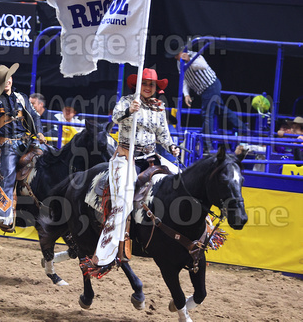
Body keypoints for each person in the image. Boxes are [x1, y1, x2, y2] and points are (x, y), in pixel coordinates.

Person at [86, 68, 180, 276]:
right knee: (124, 201)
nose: (148, 87)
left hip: (150, 157)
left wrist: (172, 146)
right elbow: (116, 117)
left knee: (180, 180)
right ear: (137, 86)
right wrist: (130, 110)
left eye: (151, 84)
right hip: (126, 158)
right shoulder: (127, 101)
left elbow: (162, 133)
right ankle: (104, 255)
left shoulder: (158, 108)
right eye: (144, 84)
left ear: (156, 88)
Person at [0, 63, 46, 231]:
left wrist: (40, 133)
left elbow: (35, 117)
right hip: (6, 145)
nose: (7, 82)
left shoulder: (21, 97)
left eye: (8, 78)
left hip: (26, 141)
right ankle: (3, 216)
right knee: (7, 175)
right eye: (4, 80)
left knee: (49, 157)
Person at [168, 40, 247, 153]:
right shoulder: (179, 63)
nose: (175, 57)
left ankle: (207, 145)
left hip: (211, 86)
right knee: (221, 110)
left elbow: (203, 65)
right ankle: (243, 128)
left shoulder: (194, 55)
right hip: (204, 90)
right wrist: (186, 94)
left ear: (181, 51)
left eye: (176, 54)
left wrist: (190, 60)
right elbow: (184, 79)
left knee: (207, 113)